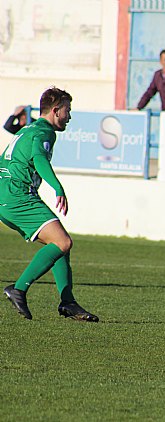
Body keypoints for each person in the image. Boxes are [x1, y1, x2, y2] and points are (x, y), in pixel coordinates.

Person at [1, 87, 98, 321]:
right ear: (56, 110)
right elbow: (39, 159)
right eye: (68, 110)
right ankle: (19, 289)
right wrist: (57, 187)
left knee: (59, 244)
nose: (69, 116)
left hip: (7, 195)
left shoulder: (30, 128)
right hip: (18, 195)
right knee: (63, 242)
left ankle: (68, 302)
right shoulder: (45, 132)